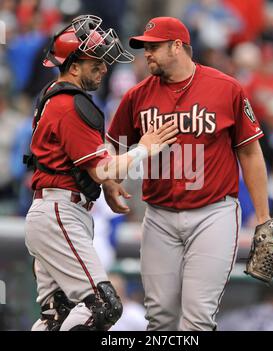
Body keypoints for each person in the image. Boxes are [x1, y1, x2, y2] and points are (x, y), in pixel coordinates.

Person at [104, 16, 273, 331]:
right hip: (159, 214)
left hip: (213, 212)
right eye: (144, 47)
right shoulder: (137, 96)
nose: (146, 53)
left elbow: (250, 152)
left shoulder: (226, 88)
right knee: (160, 319)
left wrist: (263, 217)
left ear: (178, 46)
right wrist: (109, 182)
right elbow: (113, 146)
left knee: (197, 320)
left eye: (153, 47)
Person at [24, 14, 178, 331]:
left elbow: (89, 167)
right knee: (104, 306)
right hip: (59, 212)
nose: (104, 68)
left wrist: (106, 181)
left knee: (57, 316)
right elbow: (101, 167)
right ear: (75, 65)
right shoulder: (69, 103)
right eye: (96, 62)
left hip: (54, 210)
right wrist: (144, 147)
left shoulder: (57, 97)